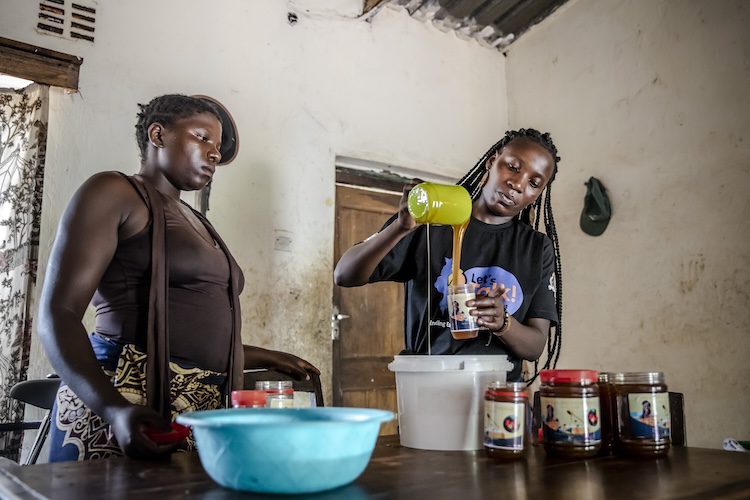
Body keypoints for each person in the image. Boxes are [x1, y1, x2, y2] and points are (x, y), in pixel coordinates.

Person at [38, 94, 319, 462]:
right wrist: (113, 409)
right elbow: (58, 314)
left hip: (197, 410)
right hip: (127, 399)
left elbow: (187, 339)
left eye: (217, 147)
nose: (215, 154)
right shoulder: (114, 192)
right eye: (203, 138)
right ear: (158, 135)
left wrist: (268, 356)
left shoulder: (197, 220)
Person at [333, 128, 563, 382]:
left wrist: (503, 323)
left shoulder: (536, 248)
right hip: (429, 385)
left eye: (534, 183)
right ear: (491, 161)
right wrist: (400, 228)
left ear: (538, 195)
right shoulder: (432, 221)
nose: (517, 184)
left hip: (499, 395)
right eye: (512, 166)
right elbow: (344, 274)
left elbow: (535, 346)